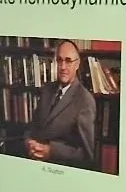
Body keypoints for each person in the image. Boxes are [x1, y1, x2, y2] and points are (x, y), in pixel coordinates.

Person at [23, 39, 97, 168]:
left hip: (60, 168)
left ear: (77, 64)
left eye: (68, 61)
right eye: (59, 60)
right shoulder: (47, 89)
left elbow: (86, 154)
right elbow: (33, 126)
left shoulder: (85, 100)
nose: (63, 67)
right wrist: (28, 141)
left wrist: (51, 151)